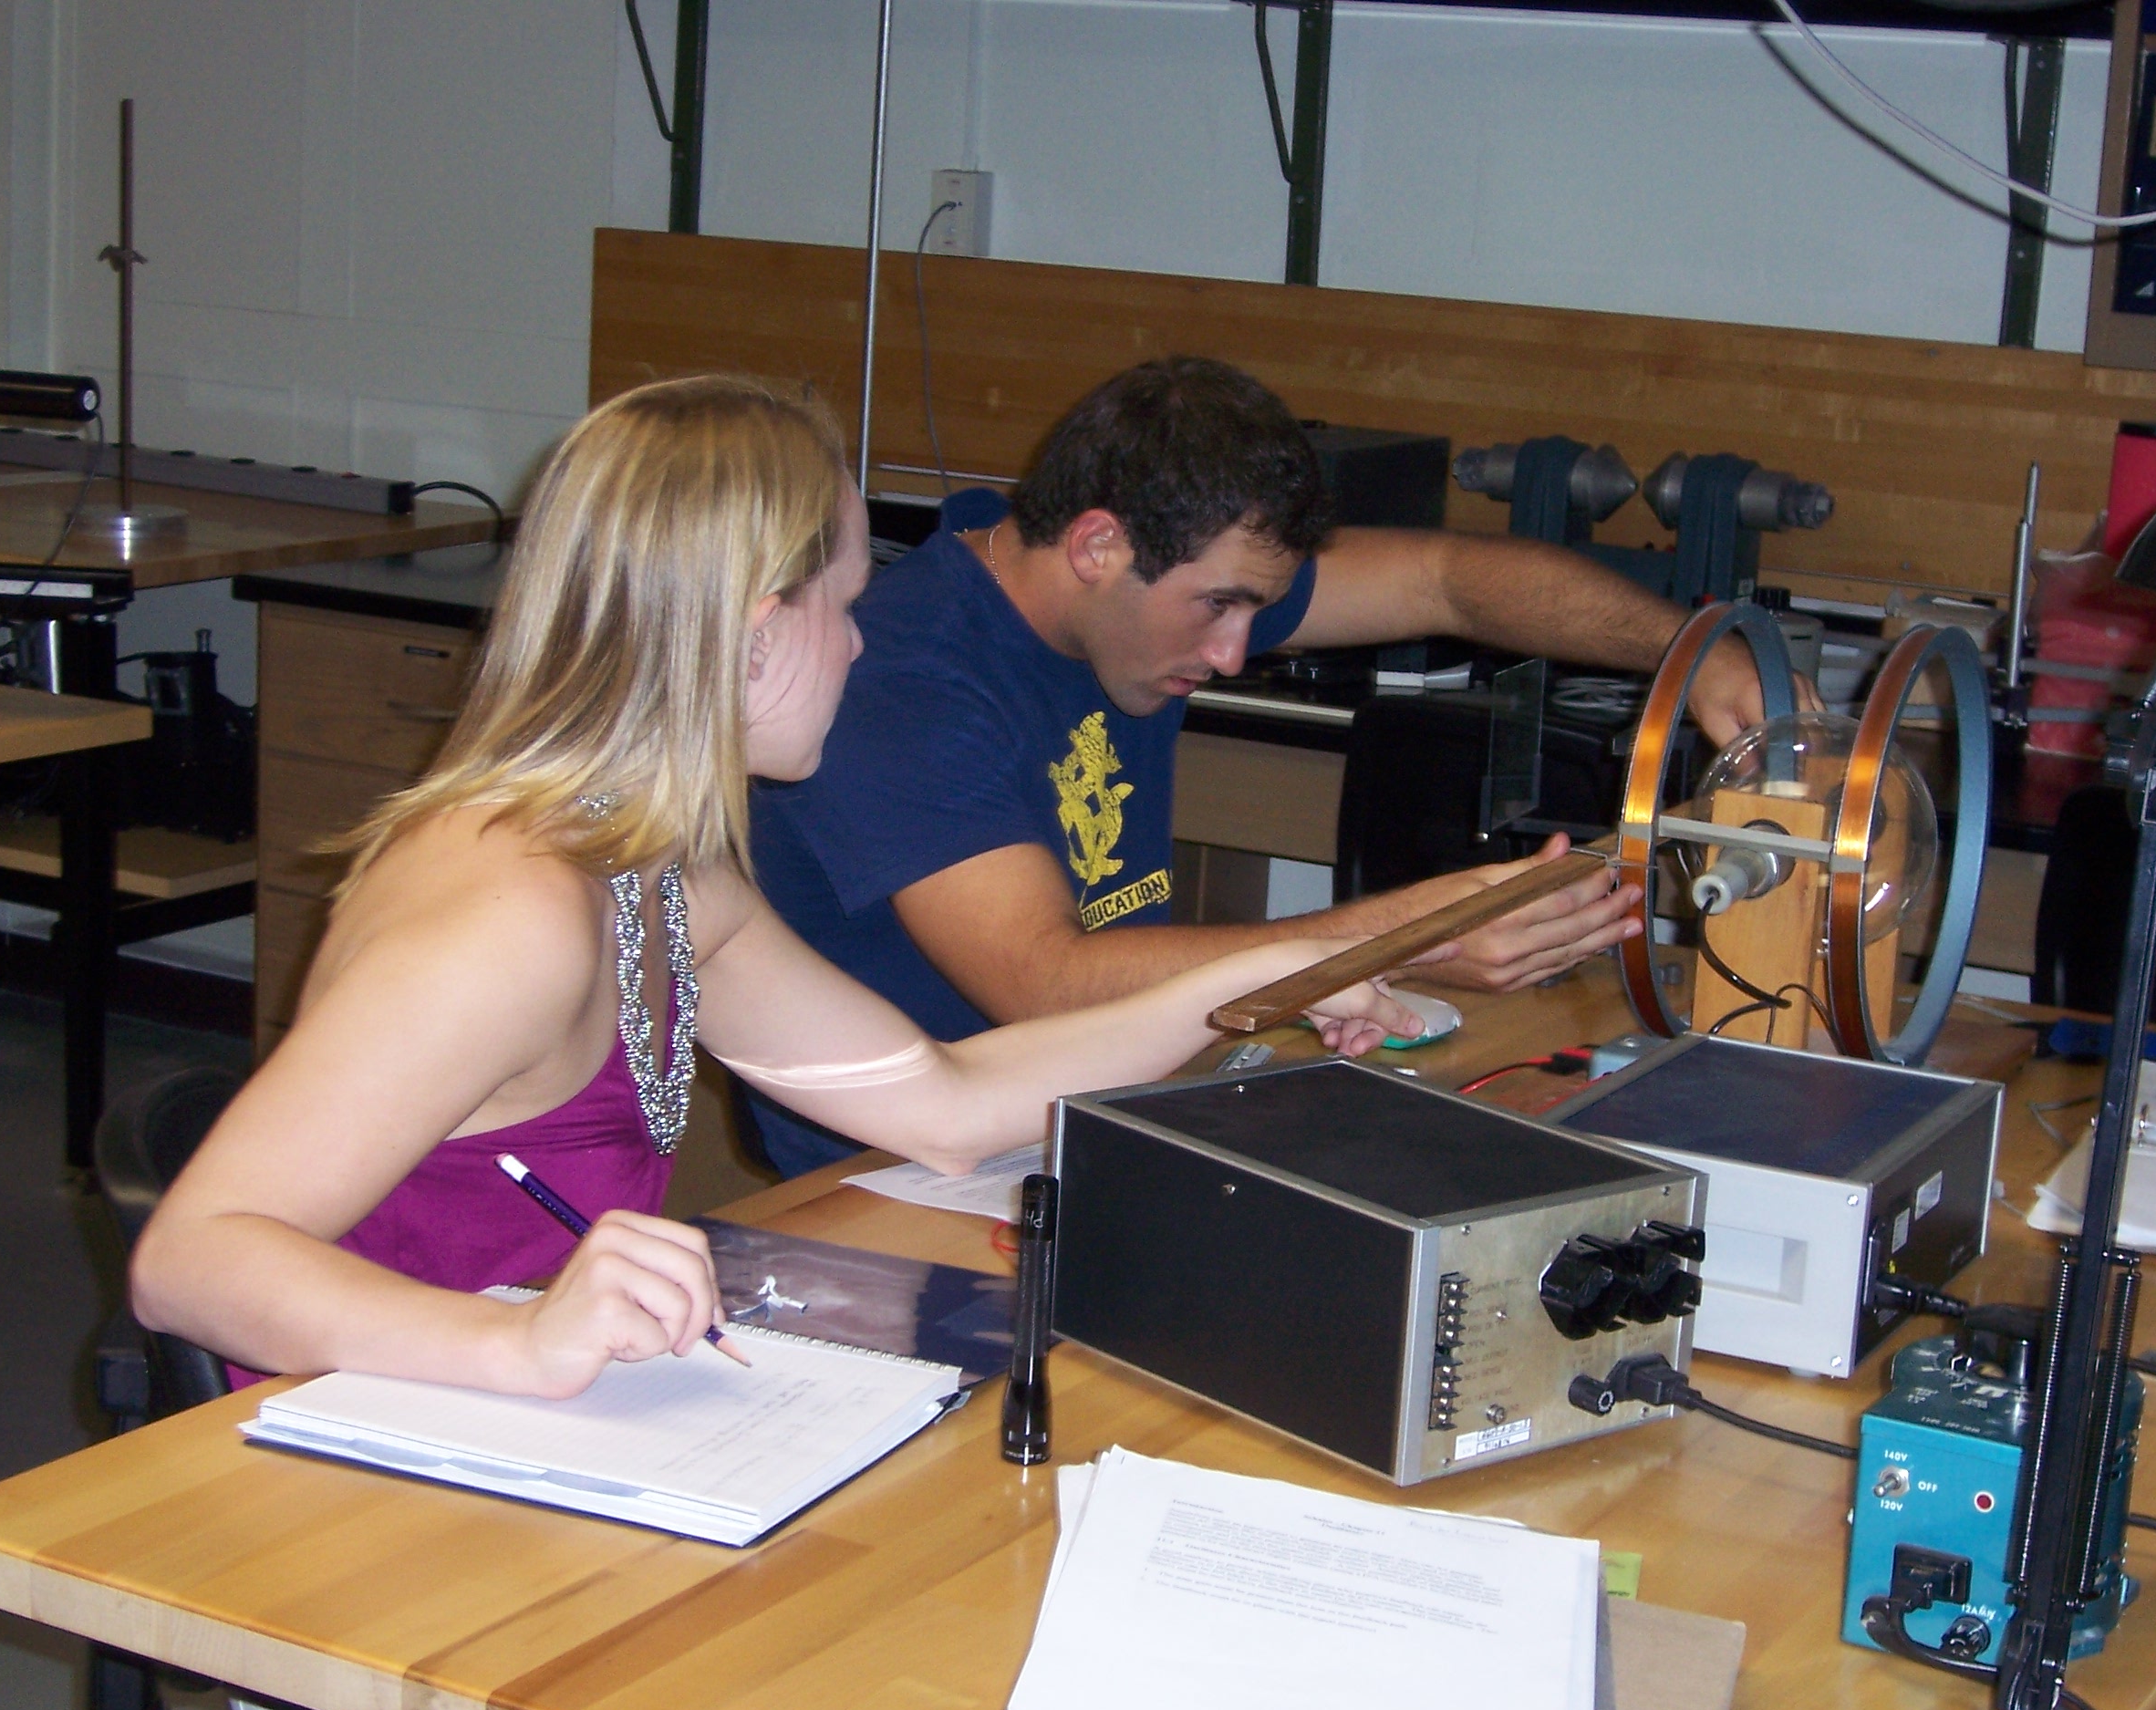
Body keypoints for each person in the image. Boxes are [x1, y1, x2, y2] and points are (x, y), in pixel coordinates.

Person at [129, 376, 1416, 1400]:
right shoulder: (507, 914)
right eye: (845, 606)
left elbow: (948, 1103)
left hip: (532, 1419)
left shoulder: (663, 871)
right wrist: (513, 1349)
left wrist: (1273, 982)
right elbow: (190, 1264)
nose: (864, 642)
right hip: (367, 1450)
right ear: (751, 630)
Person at [749, 357, 1784, 1173]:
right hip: (898, 1179)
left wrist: (1686, 656)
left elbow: (1448, 579)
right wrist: (1402, 939)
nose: (1236, 654)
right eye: (1218, 606)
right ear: (1096, 545)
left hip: (1094, 1111)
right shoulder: (902, 683)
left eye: (1255, 607)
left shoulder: (1130, 589)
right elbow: (1045, 980)